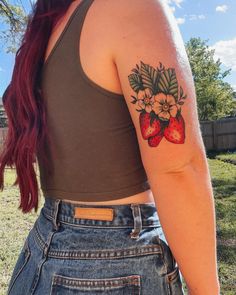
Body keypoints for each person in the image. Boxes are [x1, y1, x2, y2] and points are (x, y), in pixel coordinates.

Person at [0, 0, 220, 294]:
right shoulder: (128, 6)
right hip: (118, 266)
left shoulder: (49, 26)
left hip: (39, 253)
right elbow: (178, 169)